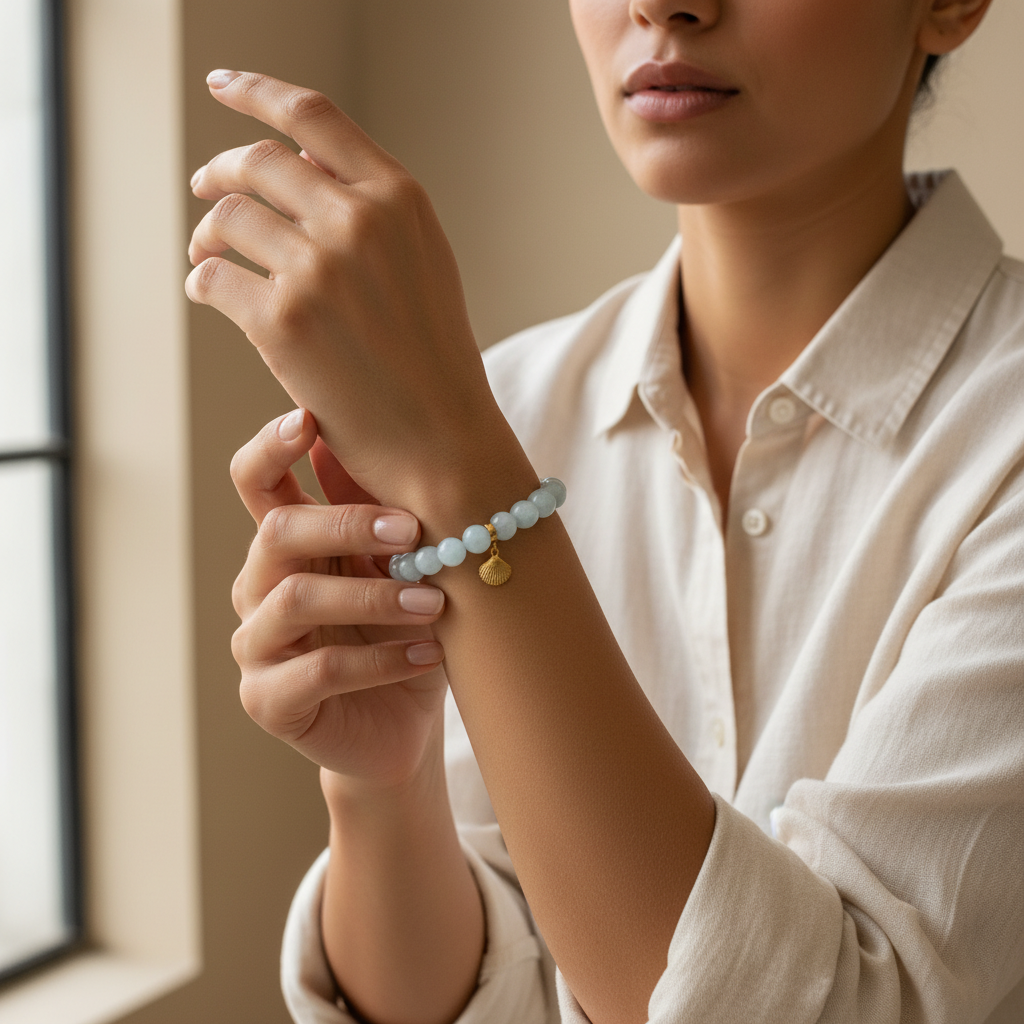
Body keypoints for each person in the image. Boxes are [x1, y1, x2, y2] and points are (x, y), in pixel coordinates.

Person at [185, 0, 1024, 1021]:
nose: (661, 4)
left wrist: (470, 482)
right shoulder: (509, 406)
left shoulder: (469, 448)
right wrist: (382, 787)